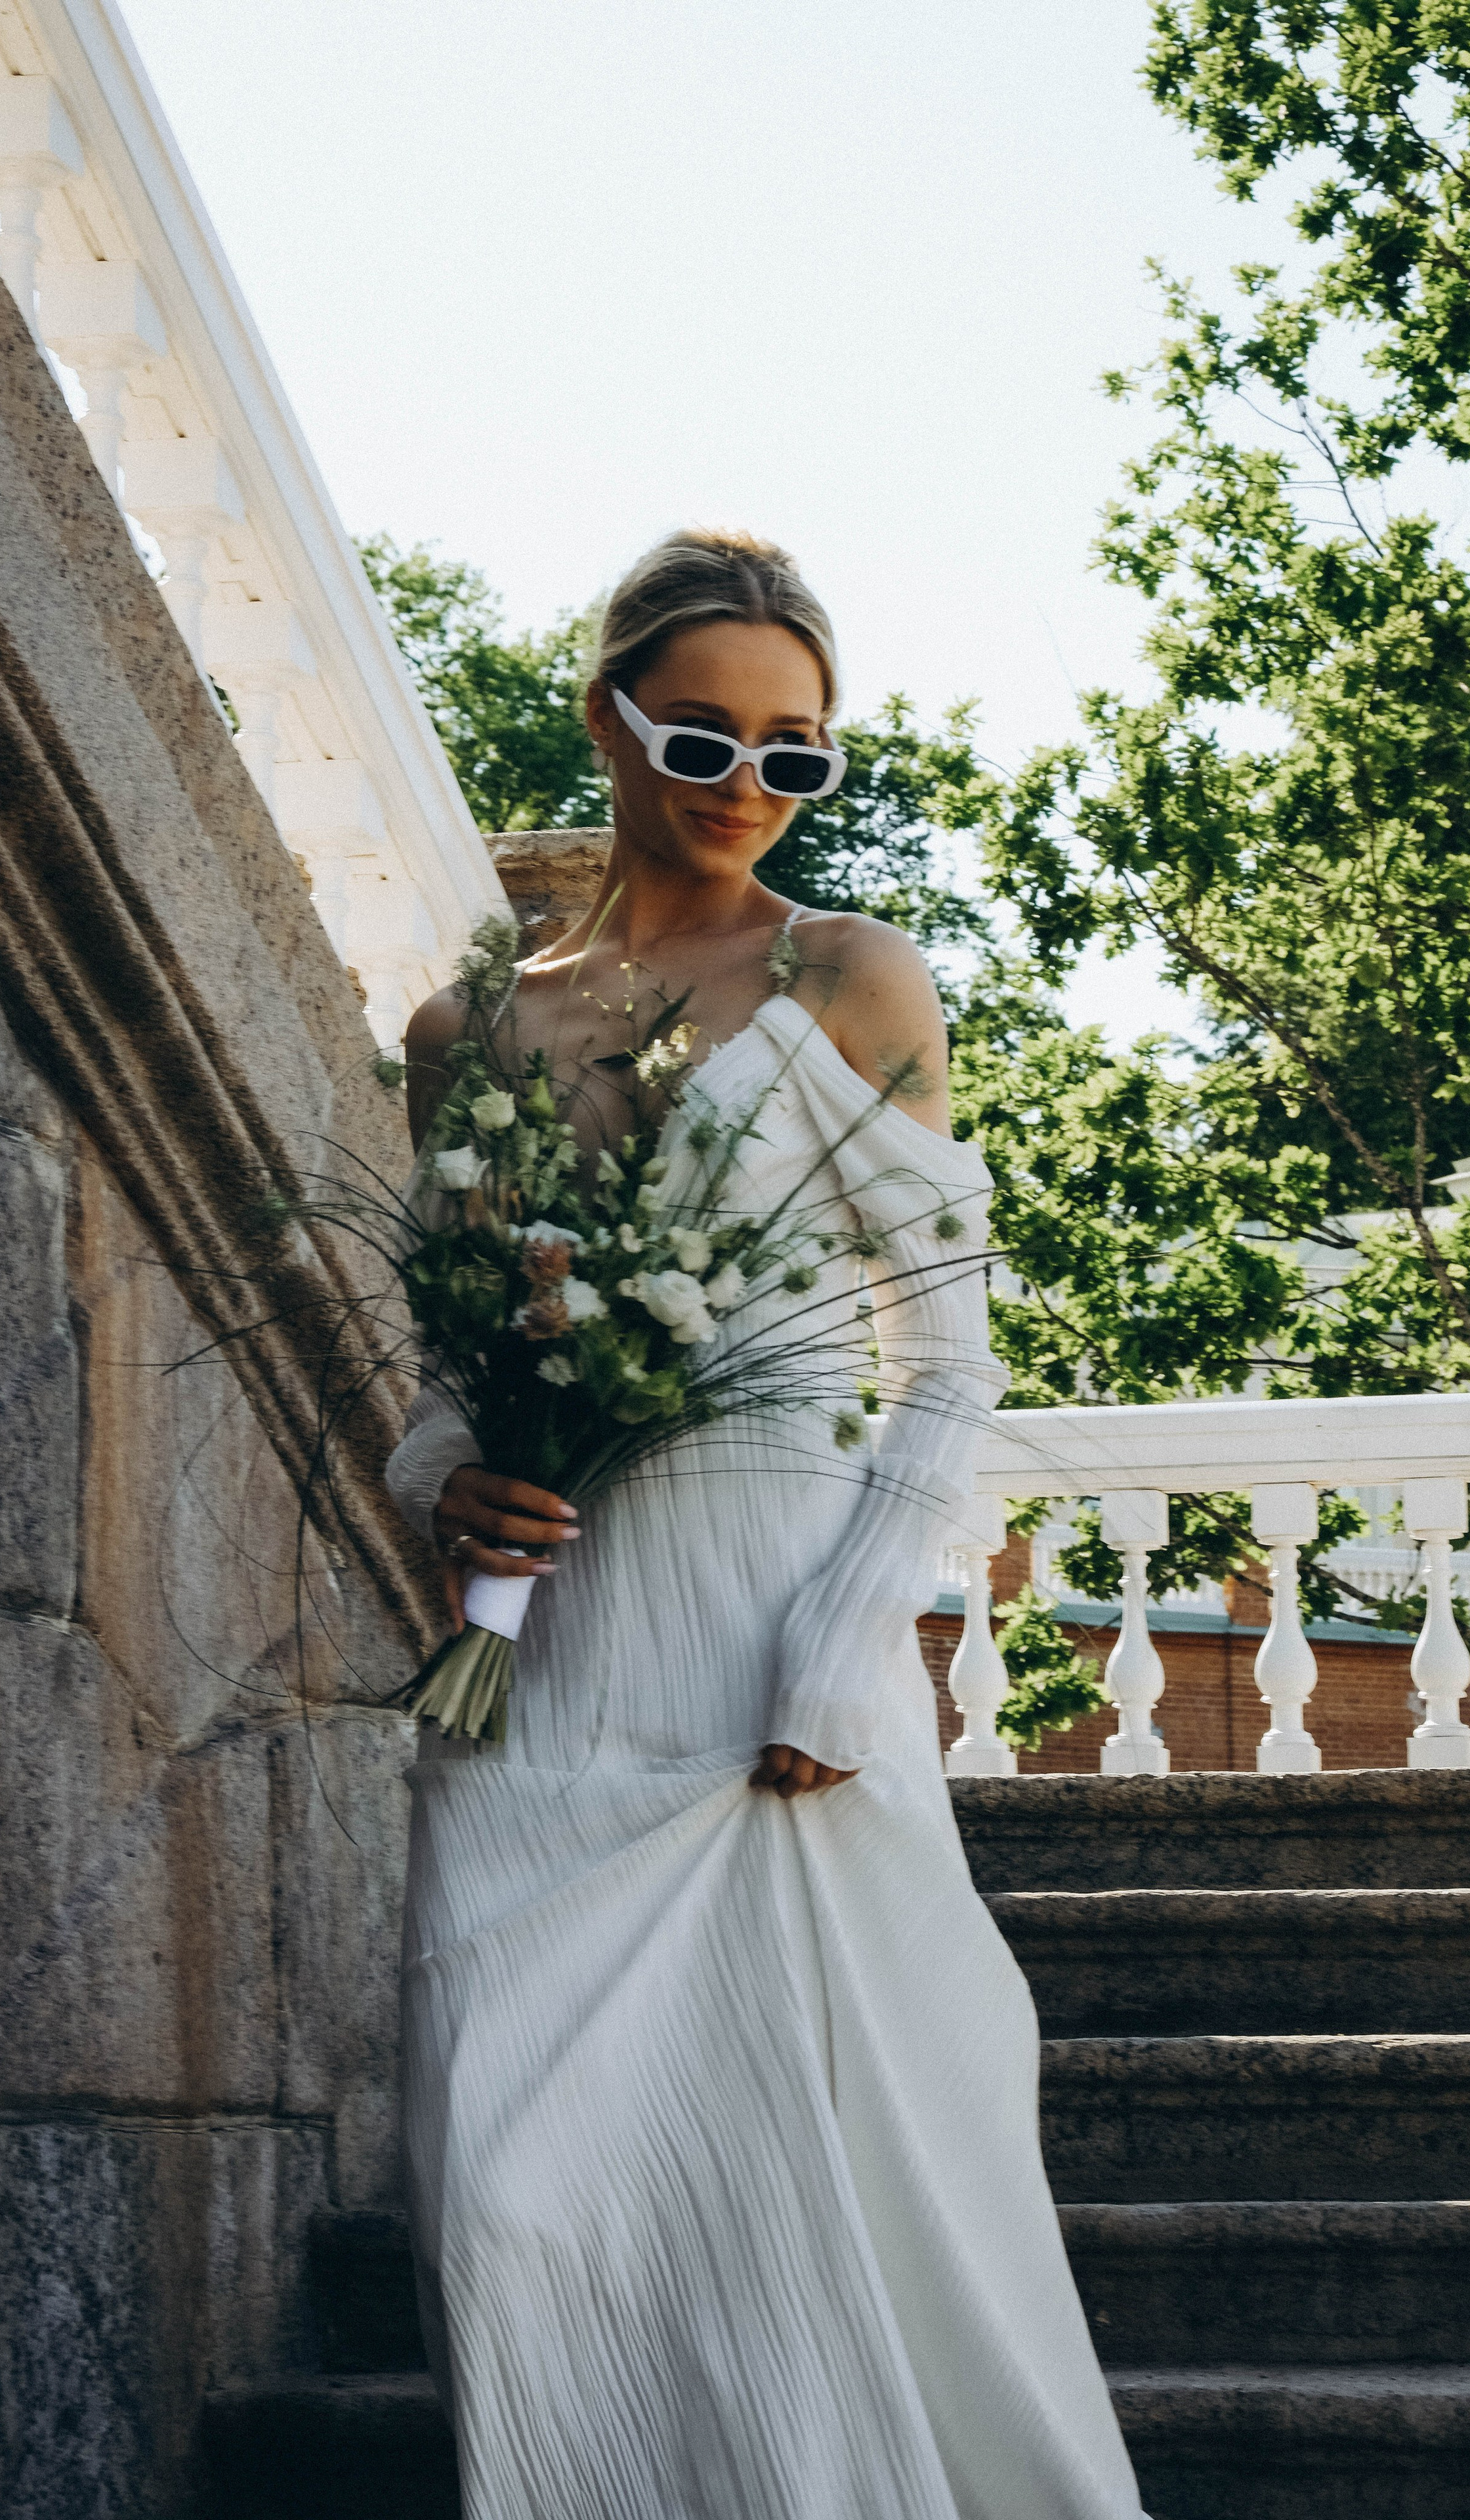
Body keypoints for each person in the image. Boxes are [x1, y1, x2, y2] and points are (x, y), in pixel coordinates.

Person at [386, 528, 1149, 2520]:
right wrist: (437, 1487)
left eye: (795, 755)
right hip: (545, 1672)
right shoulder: (468, 1039)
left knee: (824, 2183)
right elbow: (449, 1379)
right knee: (510, 2198)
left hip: (775, 1643)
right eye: (705, 737)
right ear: (609, 723)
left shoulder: (847, 978)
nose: (746, 786)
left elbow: (951, 1358)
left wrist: (857, 1630)